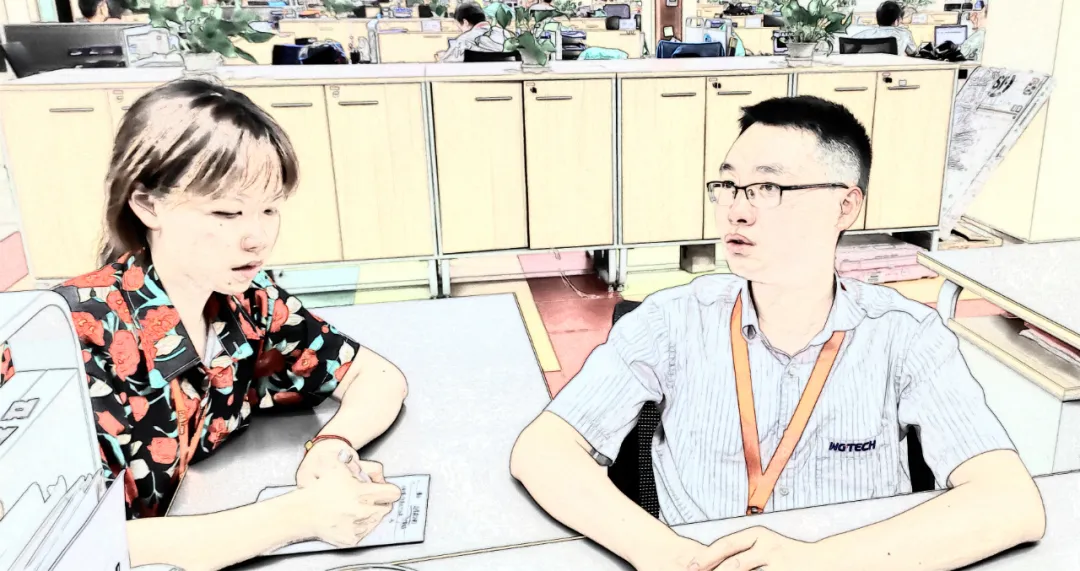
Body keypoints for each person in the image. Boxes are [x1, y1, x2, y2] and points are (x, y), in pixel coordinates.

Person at [509, 95, 1046, 571]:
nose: (737, 210)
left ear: (845, 205)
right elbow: (544, 449)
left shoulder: (906, 337)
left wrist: (817, 562)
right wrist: (658, 551)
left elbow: (1010, 502)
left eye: (768, 187)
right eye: (728, 185)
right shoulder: (671, 320)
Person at [54, 78, 409, 571]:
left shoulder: (246, 300)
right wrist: (301, 515)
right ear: (148, 205)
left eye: (270, 209)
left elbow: (375, 375)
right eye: (227, 212)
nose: (256, 237)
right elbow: (71, 544)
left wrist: (332, 446)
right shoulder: (73, 339)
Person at [436, 1, 508, 62]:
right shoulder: (505, 34)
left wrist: (443, 57)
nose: (460, 30)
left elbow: (447, 64)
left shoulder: (464, 39)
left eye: (459, 26)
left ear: (465, 22)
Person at [851, 1, 918, 55]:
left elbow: (848, 46)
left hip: (867, 67)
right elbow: (913, 52)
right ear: (896, 20)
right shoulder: (904, 34)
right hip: (892, 67)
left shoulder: (863, 34)